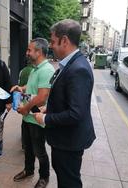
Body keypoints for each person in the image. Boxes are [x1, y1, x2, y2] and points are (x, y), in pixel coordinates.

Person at [34, 19, 96, 188]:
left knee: (69, 181)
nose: (51, 46)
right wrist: (50, 108)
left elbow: (76, 113)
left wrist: (46, 119)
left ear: (65, 41)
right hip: (65, 138)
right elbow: (68, 99)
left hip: (69, 141)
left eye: (53, 41)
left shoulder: (78, 69)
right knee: (65, 177)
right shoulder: (70, 63)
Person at [11, 38, 55, 188]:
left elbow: (42, 97)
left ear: (39, 51)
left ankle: (44, 177)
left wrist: (25, 109)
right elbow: (32, 87)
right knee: (28, 149)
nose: (27, 53)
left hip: (36, 118)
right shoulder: (35, 69)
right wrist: (21, 88)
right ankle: (28, 170)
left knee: (39, 151)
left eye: (30, 50)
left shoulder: (47, 70)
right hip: (28, 118)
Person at [18, 60, 34, 150]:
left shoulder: (22, 71)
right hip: (32, 96)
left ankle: (24, 143)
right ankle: (30, 142)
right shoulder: (34, 71)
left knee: (24, 118)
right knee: (31, 117)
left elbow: (20, 83)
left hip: (24, 95)